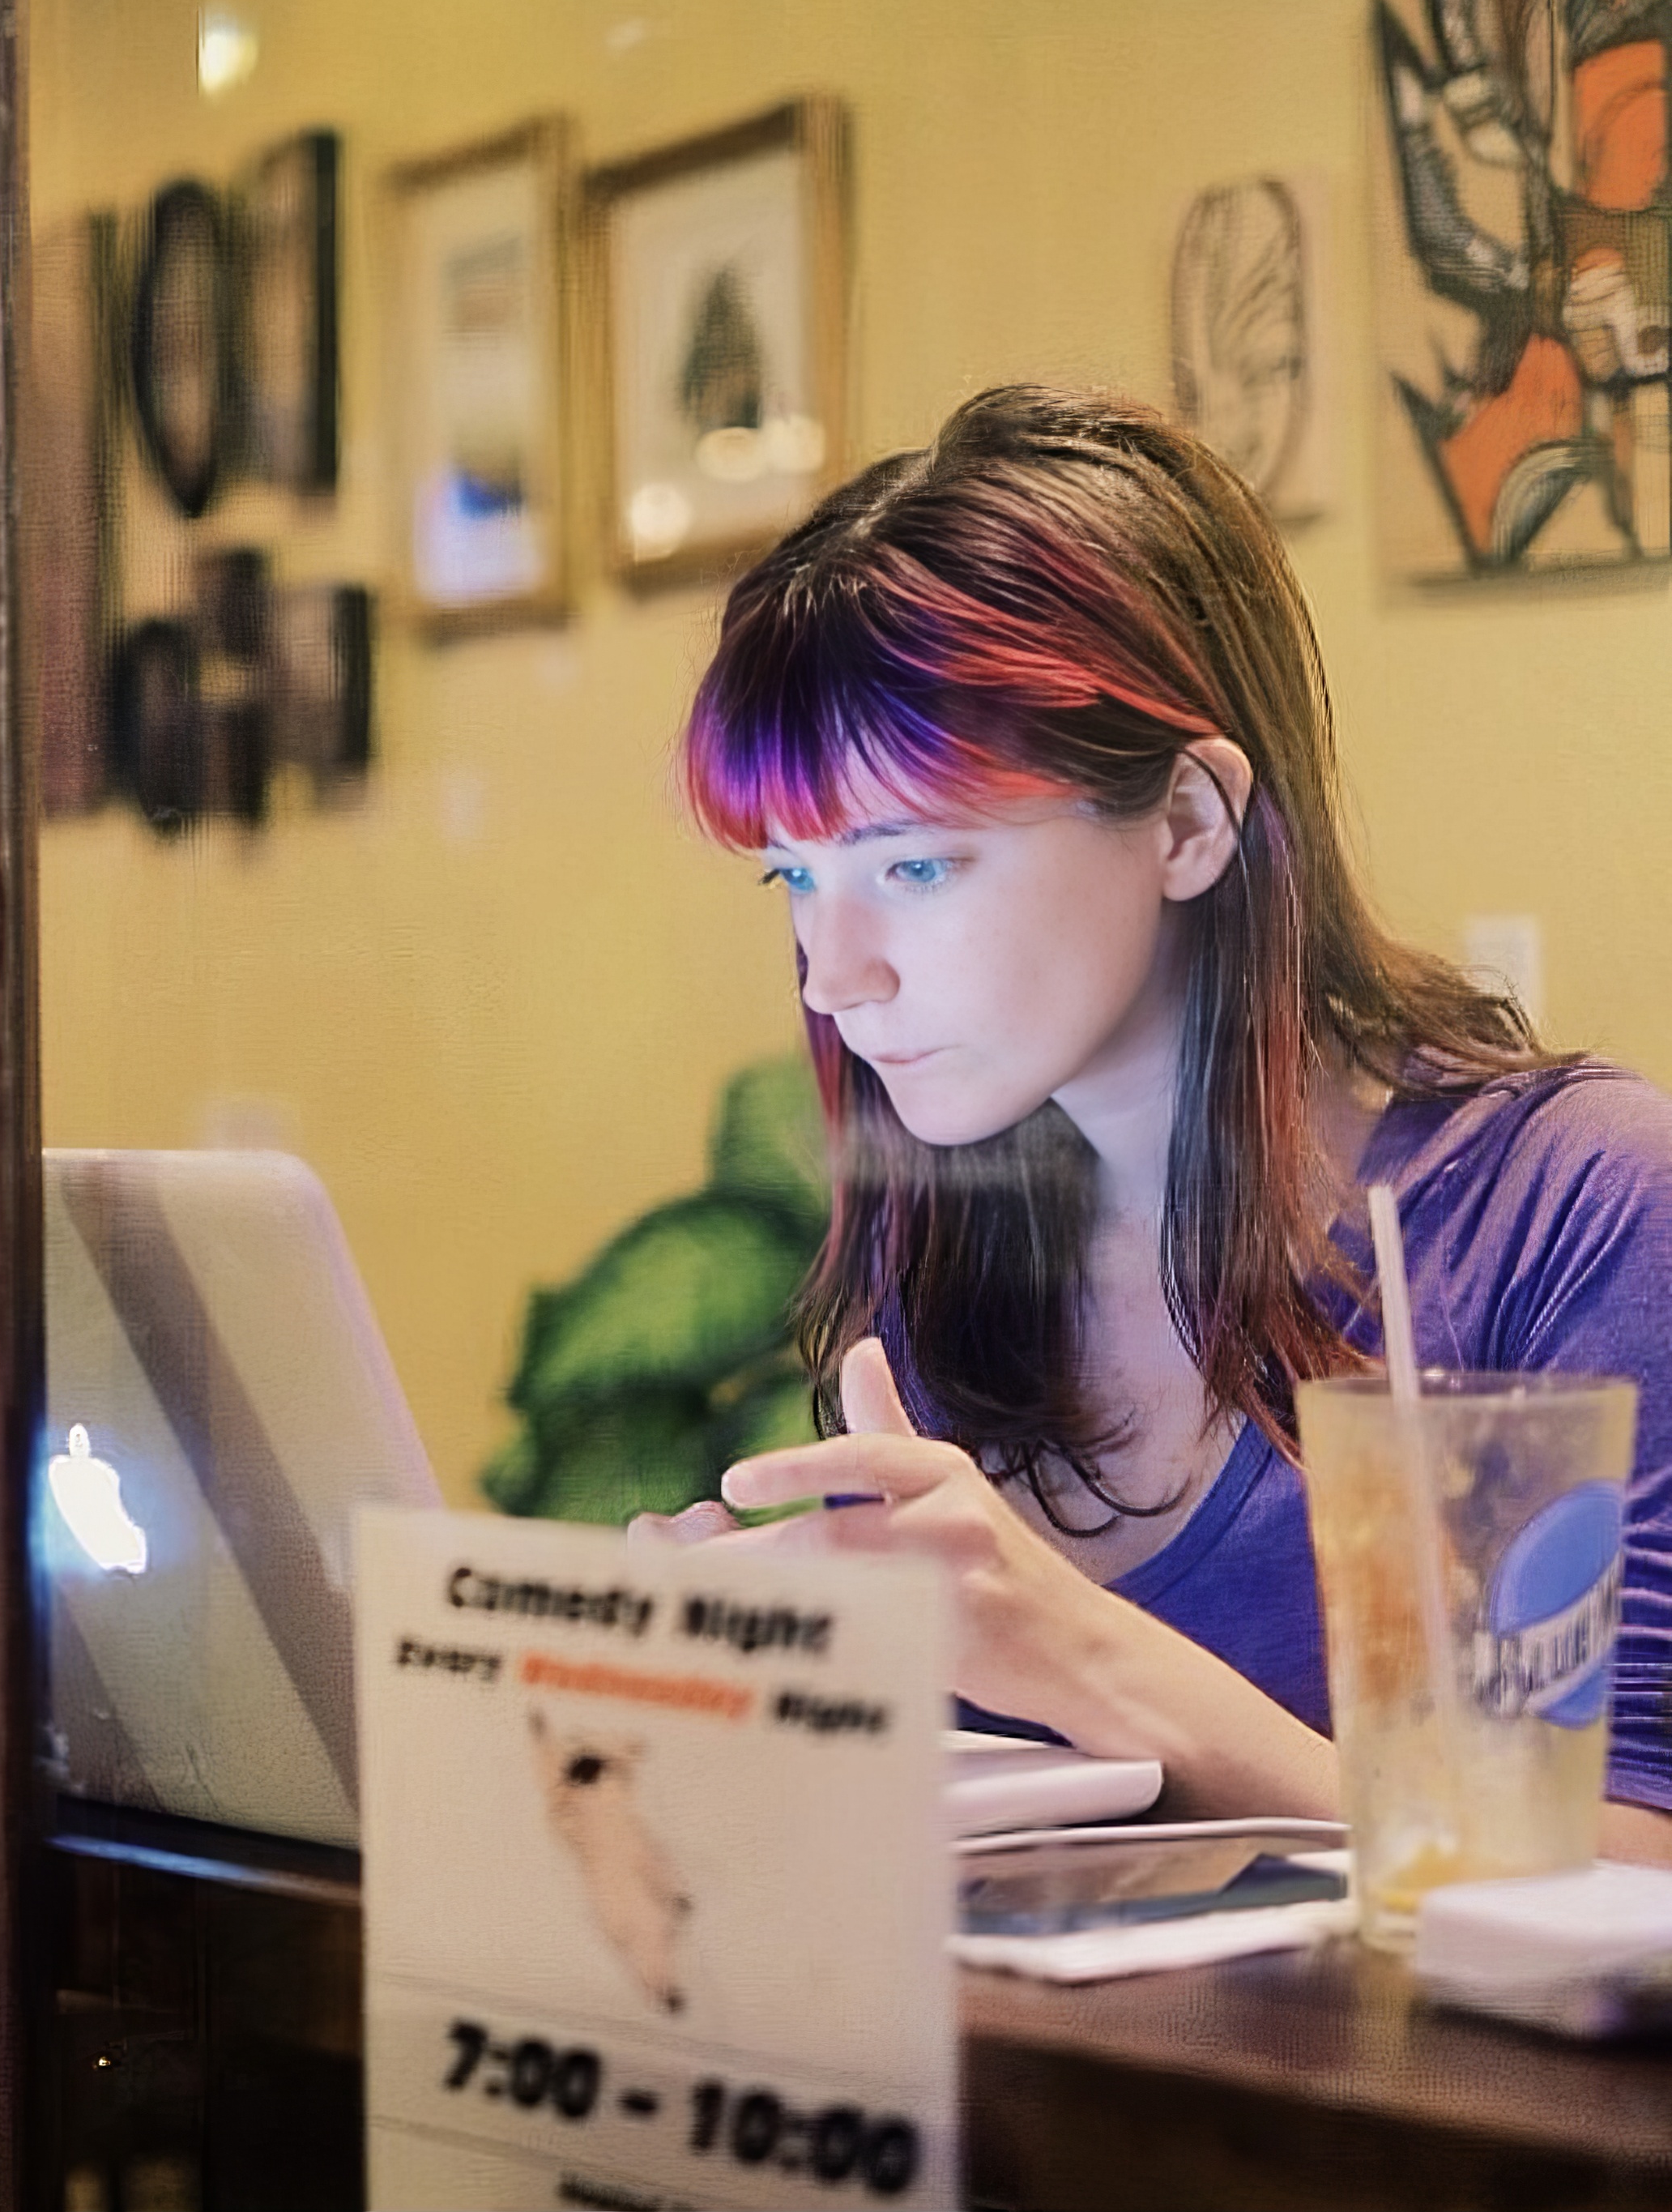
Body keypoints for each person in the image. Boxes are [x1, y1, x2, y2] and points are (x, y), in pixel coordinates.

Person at [639, 385, 1672, 1853]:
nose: (833, 971)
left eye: (915, 868)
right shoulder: (958, 1255)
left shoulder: (1578, 1211)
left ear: (1188, 819)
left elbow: (1635, 1877)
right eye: (794, 879)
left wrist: (1073, 1652)